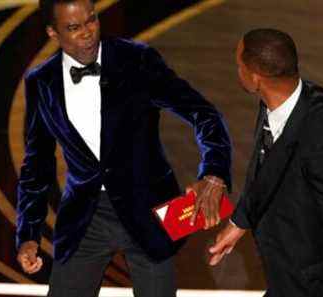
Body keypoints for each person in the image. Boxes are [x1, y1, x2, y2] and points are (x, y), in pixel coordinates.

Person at [15, 0, 232, 296]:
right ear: (53, 33)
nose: (88, 33)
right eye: (74, 27)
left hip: (149, 212)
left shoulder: (138, 60)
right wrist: (28, 233)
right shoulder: (40, 82)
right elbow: (36, 164)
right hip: (85, 220)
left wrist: (214, 173)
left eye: (91, 21)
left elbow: (203, 113)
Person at [209, 28, 323, 297]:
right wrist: (239, 223)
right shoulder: (275, 104)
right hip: (286, 274)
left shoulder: (322, 136)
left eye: (239, 64)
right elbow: (265, 171)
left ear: (255, 78)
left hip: (317, 286)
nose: (236, 69)